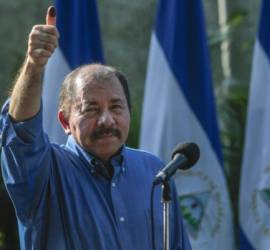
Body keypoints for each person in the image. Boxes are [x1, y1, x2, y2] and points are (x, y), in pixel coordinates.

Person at [0, 6, 191, 250]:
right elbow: (21, 132)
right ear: (65, 122)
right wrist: (34, 66)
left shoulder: (154, 171)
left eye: (116, 107)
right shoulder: (45, 172)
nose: (107, 120)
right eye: (91, 109)